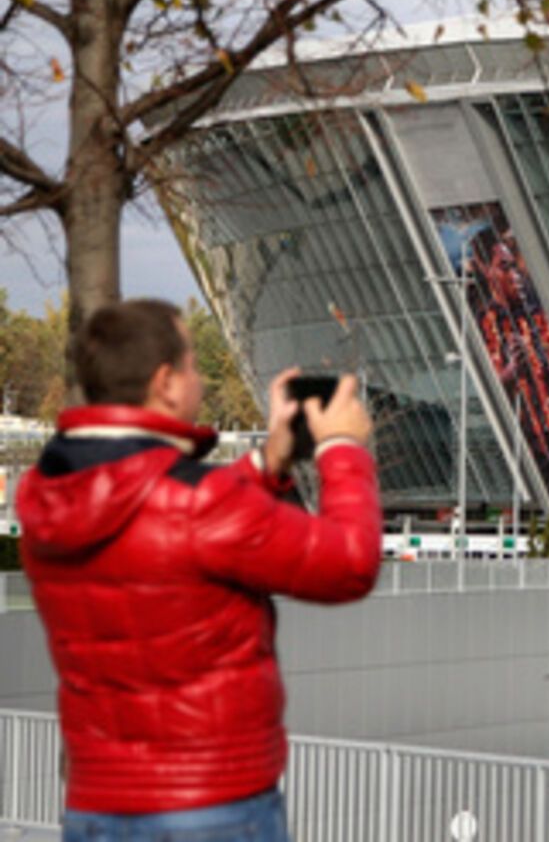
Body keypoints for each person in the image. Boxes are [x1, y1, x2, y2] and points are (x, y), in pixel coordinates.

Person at [16, 299, 381, 842]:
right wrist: (342, 446)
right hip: (211, 805)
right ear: (165, 382)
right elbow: (350, 563)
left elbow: (161, 517)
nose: (201, 381)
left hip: (96, 807)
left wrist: (267, 463)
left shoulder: (45, 495)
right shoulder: (199, 506)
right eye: (192, 365)